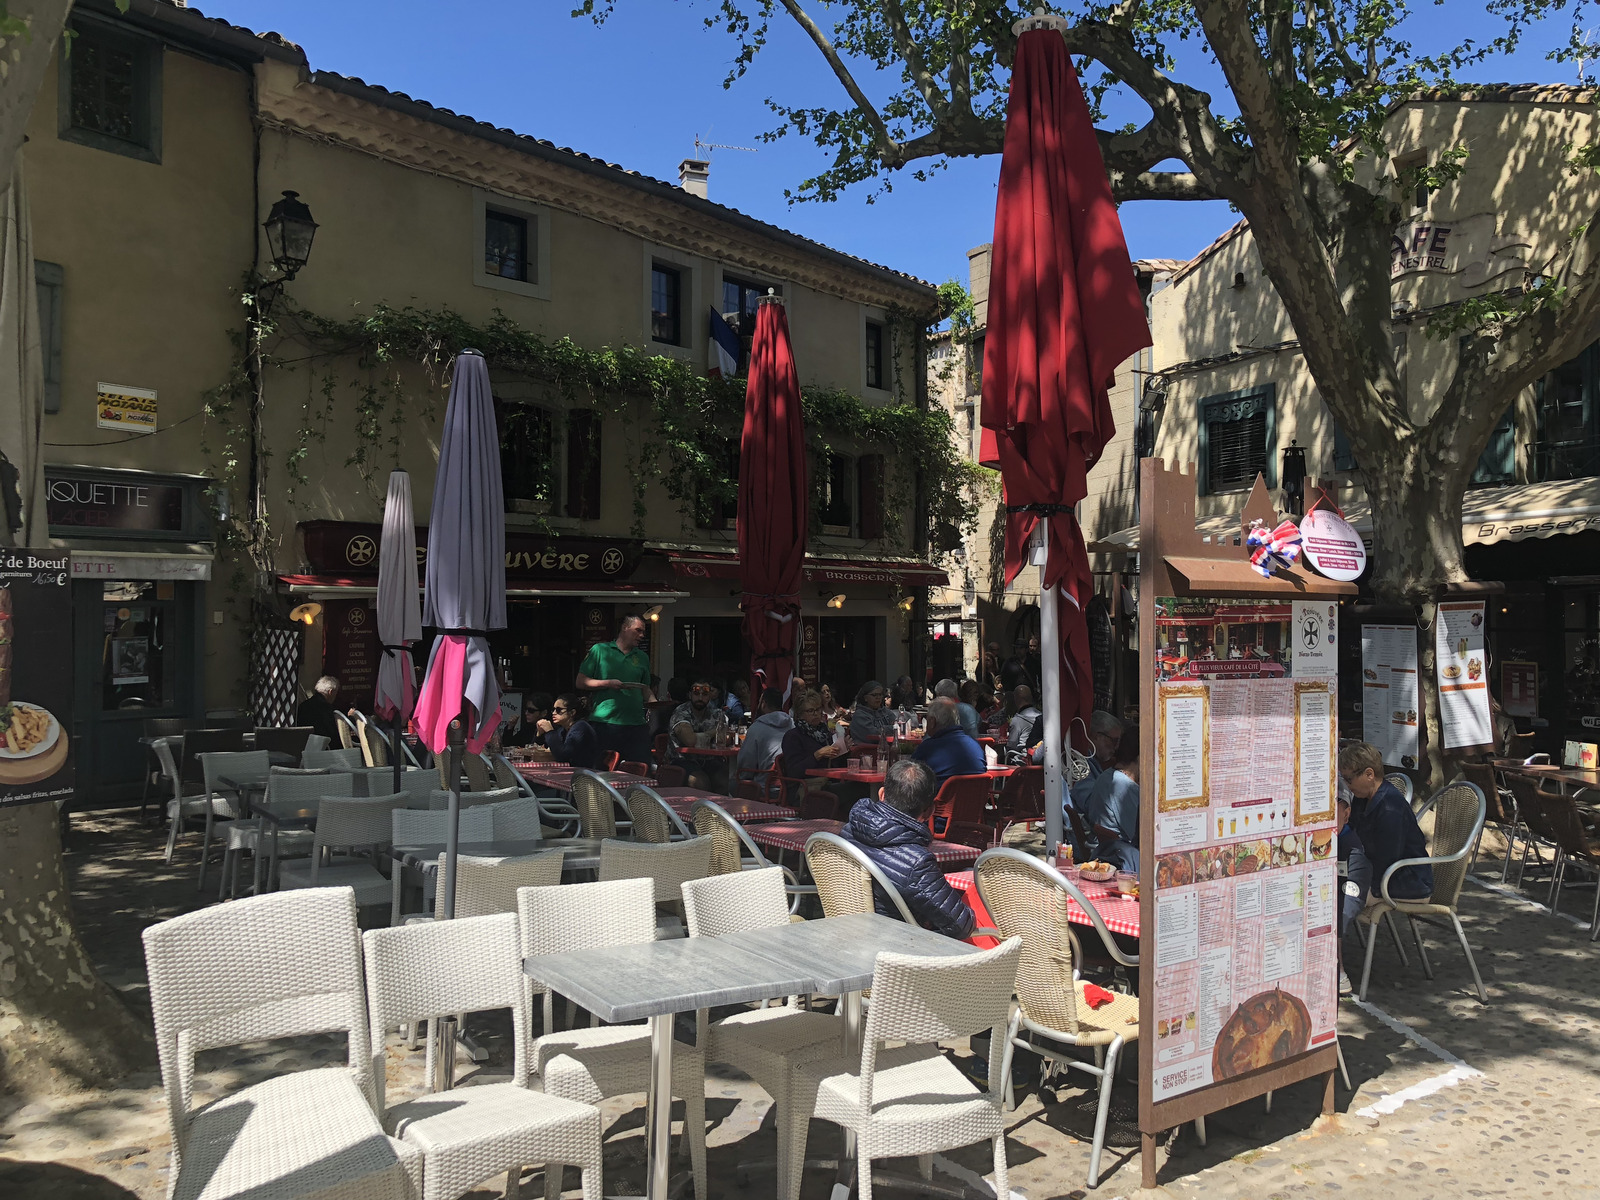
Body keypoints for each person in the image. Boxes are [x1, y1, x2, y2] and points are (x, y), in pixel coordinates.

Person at [842, 759, 976, 939]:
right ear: (929, 812)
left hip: (847, 932)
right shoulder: (917, 862)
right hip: (899, 950)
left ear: (882, 795)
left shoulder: (847, 832)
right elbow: (963, 926)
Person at [1338, 742, 1432, 901]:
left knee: (1340, 899)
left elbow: (1386, 858)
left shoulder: (1390, 809)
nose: (1347, 785)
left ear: (1369, 774)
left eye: (1349, 779)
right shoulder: (1363, 797)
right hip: (1378, 873)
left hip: (1405, 880)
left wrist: (1355, 878)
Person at [576, 614, 655, 764]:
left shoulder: (642, 657)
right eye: (638, 630)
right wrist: (608, 683)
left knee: (641, 770)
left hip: (636, 724)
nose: (642, 635)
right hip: (605, 723)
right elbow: (580, 682)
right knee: (603, 772)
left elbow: (645, 688)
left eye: (643, 632)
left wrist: (655, 703)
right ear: (625, 628)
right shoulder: (599, 650)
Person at [1080, 726, 1141, 871]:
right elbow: (1144, 838)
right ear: (1142, 759)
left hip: (1106, 852)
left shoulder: (1107, 776)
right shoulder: (1126, 788)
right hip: (1123, 861)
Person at [911, 697, 987, 786]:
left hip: (938, 799)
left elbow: (909, 777)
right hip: (975, 799)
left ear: (932, 721)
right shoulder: (975, 746)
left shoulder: (928, 749)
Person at [670, 676, 727, 789]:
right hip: (681, 759)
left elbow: (725, 738)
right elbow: (690, 741)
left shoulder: (717, 713)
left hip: (709, 760)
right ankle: (700, 807)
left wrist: (700, 736)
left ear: (710, 696)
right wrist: (712, 733)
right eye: (696, 693)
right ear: (690, 695)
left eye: (705, 694)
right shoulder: (681, 712)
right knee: (700, 781)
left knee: (725, 780)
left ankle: (720, 806)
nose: (700, 697)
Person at [781, 689, 846, 781]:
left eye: (818, 709)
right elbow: (793, 772)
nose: (815, 714)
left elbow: (836, 766)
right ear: (800, 715)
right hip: (805, 787)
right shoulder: (793, 736)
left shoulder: (825, 733)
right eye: (810, 711)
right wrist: (817, 755)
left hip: (829, 781)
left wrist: (843, 750)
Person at [736, 687, 792, 779]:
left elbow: (746, 765)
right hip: (790, 783)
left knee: (731, 783)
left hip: (764, 786)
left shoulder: (756, 728)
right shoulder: (792, 724)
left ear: (763, 704)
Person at [542, 693, 603, 769]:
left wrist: (549, 731)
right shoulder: (563, 730)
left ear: (572, 713)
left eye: (558, 710)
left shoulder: (581, 727)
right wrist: (539, 734)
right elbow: (548, 748)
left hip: (584, 775)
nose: (554, 713)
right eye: (553, 710)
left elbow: (563, 756)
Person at [296, 675, 343, 744]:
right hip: (324, 747)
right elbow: (332, 734)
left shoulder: (304, 705)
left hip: (305, 744)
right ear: (330, 692)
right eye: (335, 693)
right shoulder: (325, 707)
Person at [848, 680, 897, 744]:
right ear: (865, 698)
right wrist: (893, 728)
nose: (878, 697)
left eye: (880, 694)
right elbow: (873, 735)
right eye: (874, 695)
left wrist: (893, 728)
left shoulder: (885, 711)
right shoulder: (859, 715)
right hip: (867, 751)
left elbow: (898, 724)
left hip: (888, 747)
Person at [1006, 685, 1040, 758]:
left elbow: (1011, 745)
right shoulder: (1041, 716)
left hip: (1023, 759)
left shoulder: (1017, 720)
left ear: (1016, 699)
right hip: (1040, 756)